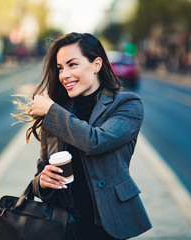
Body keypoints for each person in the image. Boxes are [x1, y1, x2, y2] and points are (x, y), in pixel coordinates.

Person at [13, 32, 152, 240]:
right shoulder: (58, 110)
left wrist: (51, 111)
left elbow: (96, 141)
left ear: (96, 65)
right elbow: (41, 174)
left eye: (72, 65)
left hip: (106, 228)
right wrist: (43, 181)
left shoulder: (127, 105)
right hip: (62, 226)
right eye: (60, 68)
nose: (64, 75)